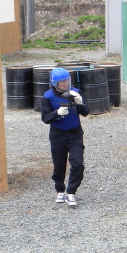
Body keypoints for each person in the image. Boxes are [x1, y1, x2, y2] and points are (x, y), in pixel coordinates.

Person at [41, 67, 90, 206]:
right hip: (58, 134)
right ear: (54, 83)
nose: (65, 83)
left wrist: (80, 103)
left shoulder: (75, 92)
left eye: (66, 80)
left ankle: (71, 192)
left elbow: (86, 112)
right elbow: (45, 118)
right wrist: (57, 113)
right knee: (59, 165)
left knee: (78, 163)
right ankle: (60, 190)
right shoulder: (48, 97)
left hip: (75, 133)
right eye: (61, 82)